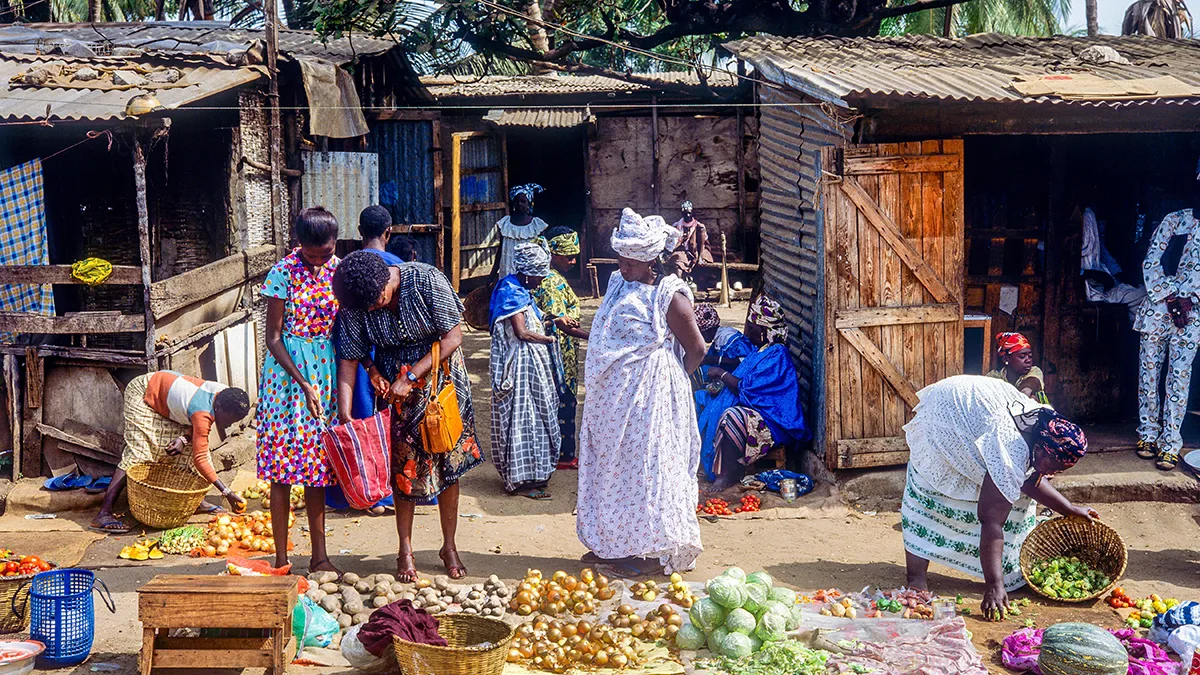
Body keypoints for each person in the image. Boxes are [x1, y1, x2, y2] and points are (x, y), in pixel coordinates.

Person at [332, 250, 483, 581]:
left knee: (448, 467)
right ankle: (406, 549)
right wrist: (348, 406)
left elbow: (453, 336)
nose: (373, 309)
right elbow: (350, 355)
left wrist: (411, 377)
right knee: (403, 473)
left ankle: (449, 546)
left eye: (378, 301)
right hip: (395, 395)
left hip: (440, 387)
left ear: (387, 279)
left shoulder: (426, 279)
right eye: (367, 308)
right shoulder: (357, 302)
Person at [577, 208, 707, 577]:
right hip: (614, 399)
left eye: (632, 259)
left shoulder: (670, 296)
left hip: (652, 397)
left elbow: (696, 349)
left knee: (649, 468)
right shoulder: (619, 282)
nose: (624, 264)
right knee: (613, 467)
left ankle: (649, 551)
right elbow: (610, 334)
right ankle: (614, 544)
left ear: (652, 259)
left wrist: (669, 380)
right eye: (621, 257)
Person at [901, 375, 1097, 620]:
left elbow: (1030, 477)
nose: (1052, 473)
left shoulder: (1049, 427)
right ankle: (916, 580)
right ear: (1038, 449)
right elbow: (991, 521)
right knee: (932, 497)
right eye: (1052, 465)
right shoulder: (1011, 446)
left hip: (976, 413)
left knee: (1012, 494)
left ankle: (1008, 574)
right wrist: (993, 585)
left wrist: (1068, 508)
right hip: (946, 414)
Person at [257, 206, 341, 574]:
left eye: (328, 252)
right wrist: (301, 380)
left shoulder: (340, 269)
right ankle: (280, 559)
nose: (322, 260)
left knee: (317, 466)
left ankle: (319, 556)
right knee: (282, 469)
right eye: (313, 254)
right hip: (285, 376)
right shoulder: (282, 273)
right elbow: (273, 338)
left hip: (325, 369)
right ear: (299, 245)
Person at [90, 372, 250, 534]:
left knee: (189, 451)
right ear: (219, 408)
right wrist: (226, 492)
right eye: (229, 420)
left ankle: (196, 503)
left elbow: (195, 415)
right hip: (142, 392)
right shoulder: (204, 412)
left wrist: (184, 439)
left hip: (162, 396)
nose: (229, 425)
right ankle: (103, 513)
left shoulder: (225, 395)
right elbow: (200, 456)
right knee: (139, 454)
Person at [328, 205, 399, 516]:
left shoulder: (346, 269)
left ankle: (355, 492)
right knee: (387, 427)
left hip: (351, 355)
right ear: (389, 232)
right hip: (387, 357)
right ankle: (384, 494)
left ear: (359, 232)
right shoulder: (398, 267)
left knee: (356, 422)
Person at [698, 293, 808, 492]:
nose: (747, 331)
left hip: (774, 419)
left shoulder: (776, 354)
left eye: (752, 326)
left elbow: (748, 388)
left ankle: (728, 474)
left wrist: (722, 374)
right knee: (702, 400)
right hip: (758, 409)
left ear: (764, 329)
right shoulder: (761, 350)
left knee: (731, 417)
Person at [489, 240, 562, 499]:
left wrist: (554, 320)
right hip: (520, 366)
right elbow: (521, 333)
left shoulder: (517, 288)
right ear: (529, 273)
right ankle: (523, 480)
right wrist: (549, 339)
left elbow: (534, 318)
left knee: (536, 415)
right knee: (524, 417)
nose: (542, 281)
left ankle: (535, 473)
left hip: (530, 364)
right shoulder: (512, 292)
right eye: (540, 276)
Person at [1135, 200, 1200, 471]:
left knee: (1179, 379)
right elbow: (1151, 260)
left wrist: (1192, 299)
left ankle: (1170, 443)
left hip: (1191, 315)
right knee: (1149, 375)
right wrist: (1170, 297)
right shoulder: (1174, 220)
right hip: (1158, 308)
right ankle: (1148, 434)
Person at [532, 226, 590, 469]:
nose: (573, 260)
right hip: (557, 352)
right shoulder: (550, 282)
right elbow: (561, 324)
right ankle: (563, 456)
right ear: (553, 254)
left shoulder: (552, 277)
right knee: (562, 399)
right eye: (569, 256)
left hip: (561, 350)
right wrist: (595, 338)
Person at [690, 302, 755, 392]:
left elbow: (747, 362)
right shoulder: (717, 339)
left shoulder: (729, 338)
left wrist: (716, 360)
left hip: (740, 382)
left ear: (705, 331)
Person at [491, 184, 549, 280]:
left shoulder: (536, 225)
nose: (520, 204)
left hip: (530, 274)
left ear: (529, 203)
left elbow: (545, 252)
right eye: (517, 201)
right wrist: (491, 276)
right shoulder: (505, 224)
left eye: (523, 201)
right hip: (508, 271)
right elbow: (500, 252)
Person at [986, 332, 1050, 405]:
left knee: (1032, 399)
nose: (1028, 360)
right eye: (1022, 356)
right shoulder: (994, 377)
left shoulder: (1034, 371)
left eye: (1030, 356)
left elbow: (1027, 390)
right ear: (1006, 359)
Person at [666, 201, 712, 279]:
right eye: (685, 213)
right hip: (682, 250)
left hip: (697, 250)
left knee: (704, 258)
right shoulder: (676, 226)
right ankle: (680, 284)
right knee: (678, 263)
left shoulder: (699, 226)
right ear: (682, 214)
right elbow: (672, 243)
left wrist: (700, 256)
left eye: (689, 213)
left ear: (692, 213)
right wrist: (681, 240)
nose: (687, 215)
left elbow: (703, 243)